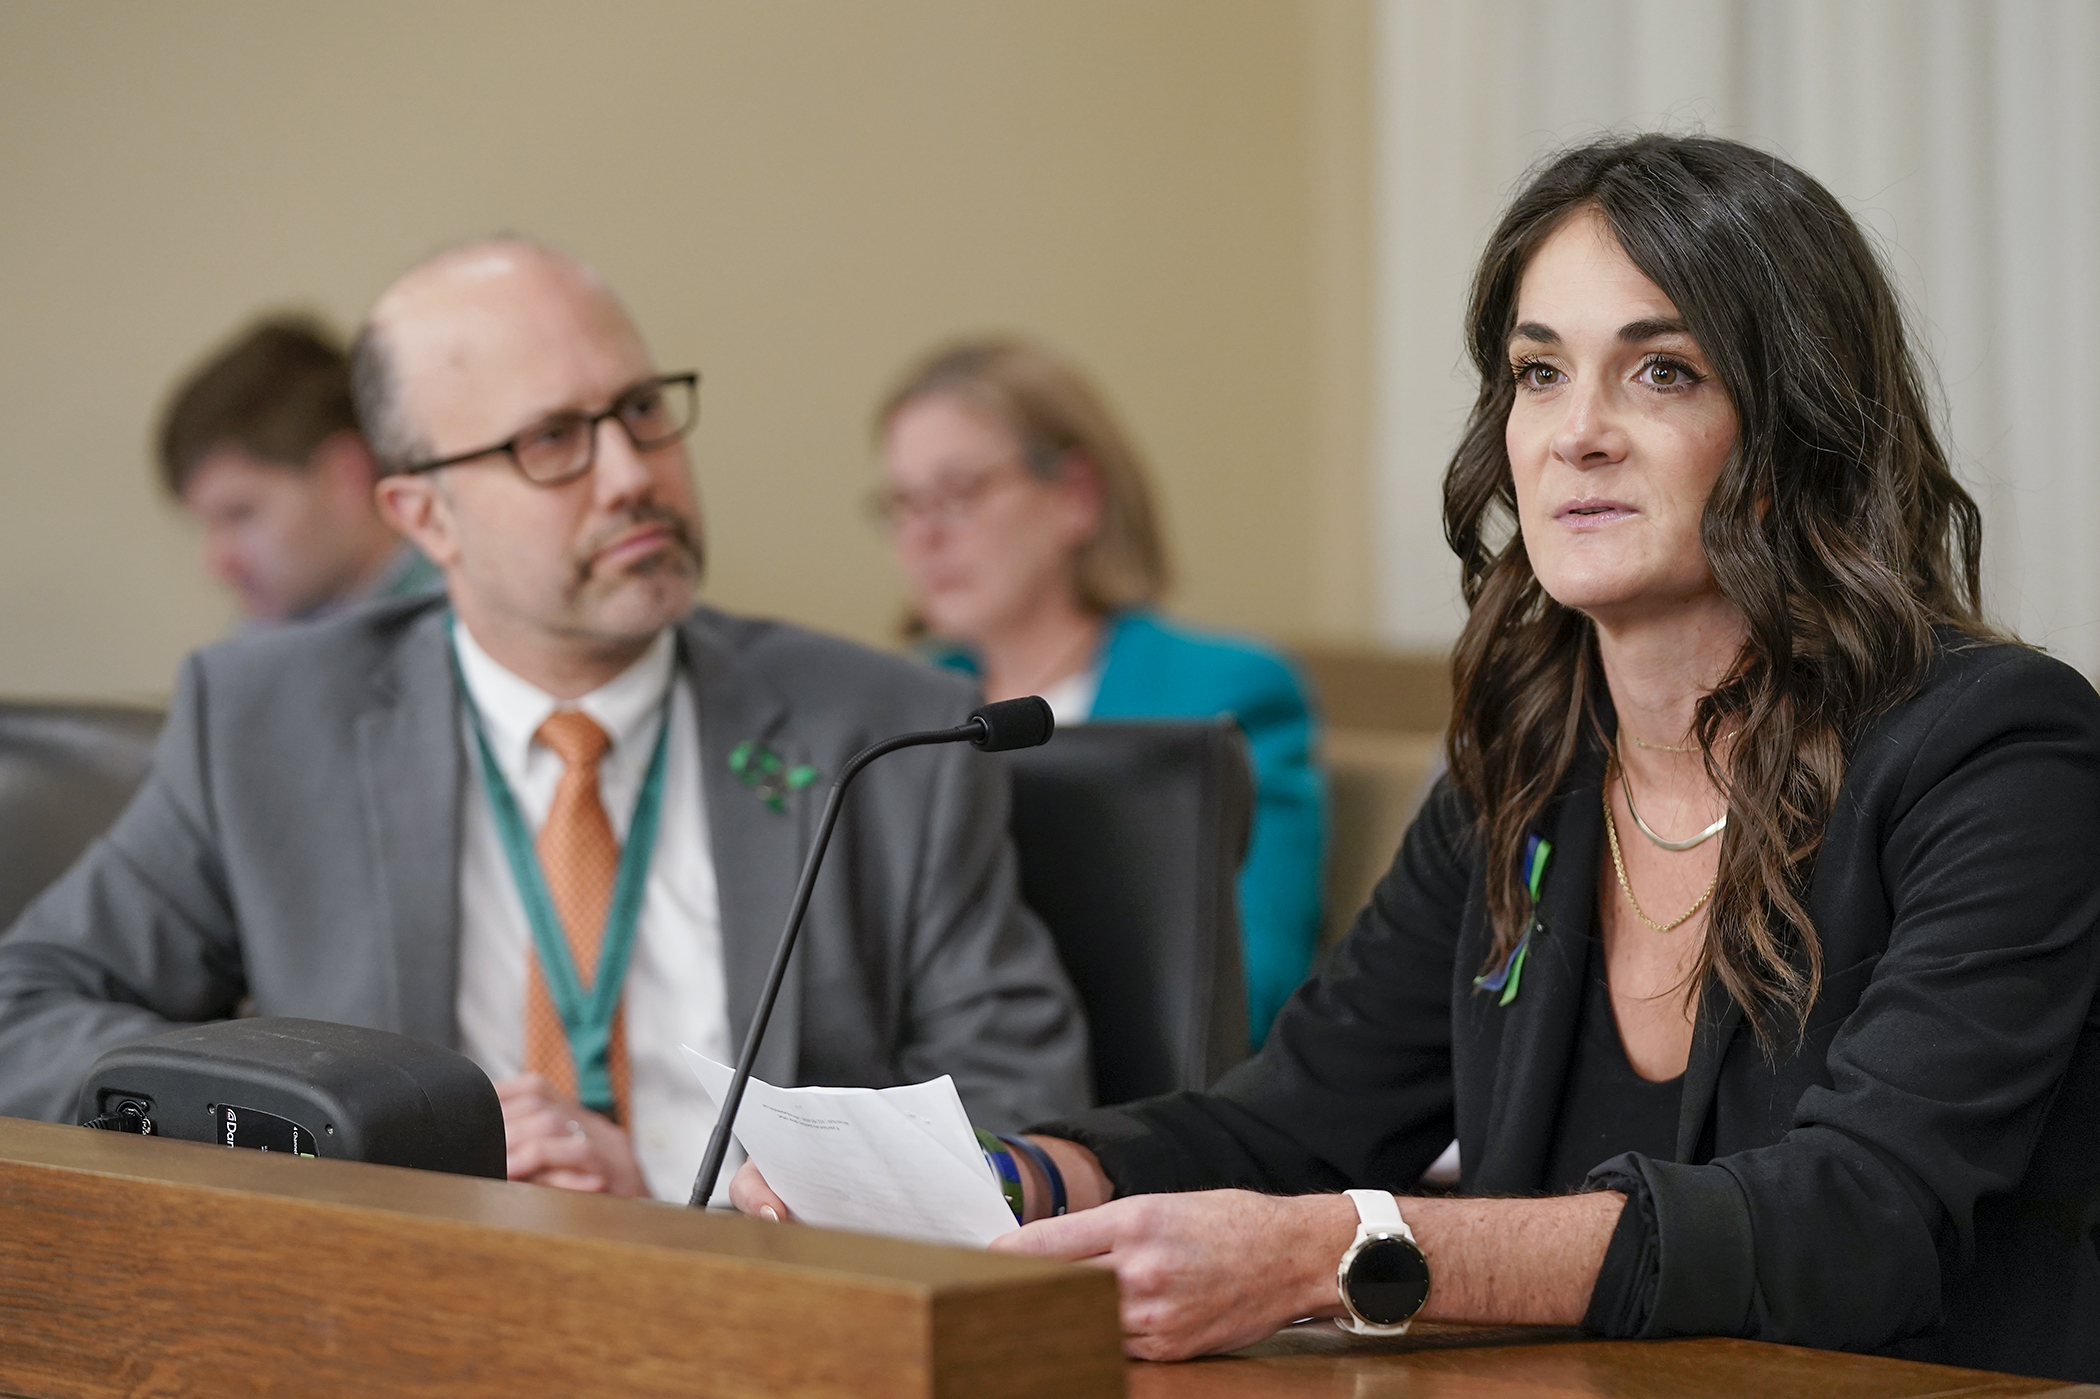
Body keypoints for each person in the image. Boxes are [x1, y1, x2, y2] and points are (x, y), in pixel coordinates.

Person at [737, 135, 2100, 1383]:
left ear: (1800, 422)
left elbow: (1854, 1221)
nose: (1577, 432)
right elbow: (1289, 1125)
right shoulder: (1526, 771)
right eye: (1539, 370)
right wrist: (1020, 1174)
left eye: (1663, 370)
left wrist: (1346, 1247)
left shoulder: (2000, 751)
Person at [0, 241, 1090, 1203]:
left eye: (643, 412)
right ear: (424, 514)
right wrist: (349, 1124)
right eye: (552, 440)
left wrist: (704, 1196)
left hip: (772, 1325)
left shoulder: (890, 730)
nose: (630, 475)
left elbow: (1023, 1102)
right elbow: (28, 1013)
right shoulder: (266, 726)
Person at [873, 339, 1326, 1044]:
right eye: (904, 503)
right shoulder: (893, 710)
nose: (924, 535)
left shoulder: (1228, 692)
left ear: (1075, 497)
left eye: (959, 494)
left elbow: (1245, 990)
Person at [157, 316, 439, 622]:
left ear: (344, 477)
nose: (217, 565)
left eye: (240, 514)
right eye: (208, 527)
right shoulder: (262, 641)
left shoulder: (469, 625)